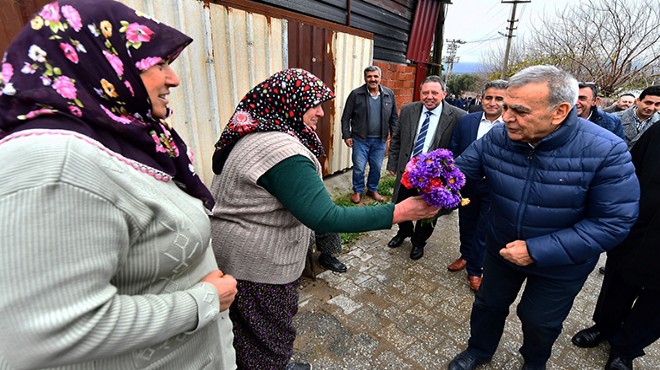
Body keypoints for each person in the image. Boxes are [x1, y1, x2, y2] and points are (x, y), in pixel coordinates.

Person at [0, 1, 238, 369]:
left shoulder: (124, 138)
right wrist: (203, 300)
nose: (172, 78)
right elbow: (46, 333)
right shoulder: (56, 160)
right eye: (158, 64)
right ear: (101, 60)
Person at [209, 68, 438, 370]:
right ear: (288, 102)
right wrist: (403, 211)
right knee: (268, 336)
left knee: (246, 333)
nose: (319, 112)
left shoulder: (258, 133)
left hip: (236, 256)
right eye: (313, 104)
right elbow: (325, 216)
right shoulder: (280, 150)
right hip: (257, 268)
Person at [446, 65, 639, 370]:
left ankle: (534, 362)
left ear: (560, 111)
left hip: (561, 263)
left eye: (519, 110)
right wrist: (431, 180)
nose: (505, 116)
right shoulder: (499, 136)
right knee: (488, 305)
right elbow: (461, 171)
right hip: (502, 247)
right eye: (506, 106)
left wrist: (536, 250)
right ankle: (479, 350)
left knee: (539, 321)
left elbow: (613, 222)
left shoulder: (606, 150)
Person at [570, 122, 660, 370]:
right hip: (639, 228)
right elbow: (627, 171)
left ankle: (626, 348)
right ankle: (605, 326)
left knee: (655, 305)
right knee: (617, 283)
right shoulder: (657, 131)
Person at [386, 75, 466, 260]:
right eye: (425, 92)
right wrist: (392, 163)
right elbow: (397, 138)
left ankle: (418, 242)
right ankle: (404, 231)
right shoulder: (408, 110)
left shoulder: (458, 116)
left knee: (429, 212)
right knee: (400, 205)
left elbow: (459, 148)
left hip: (434, 177)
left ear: (444, 93)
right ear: (420, 93)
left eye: (434, 92)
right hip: (407, 172)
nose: (429, 96)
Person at [447, 79, 507, 292]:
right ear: (481, 98)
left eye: (499, 98)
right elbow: (454, 150)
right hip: (468, 185)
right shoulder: (467, 121)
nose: (492, 102)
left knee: (484, 228)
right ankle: (465, 255)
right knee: (466, 222)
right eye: (488, 97)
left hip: (494, 187)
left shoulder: (510, 125)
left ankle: (476, 269)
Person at [341, 65, 398, 204]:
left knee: (377, 168)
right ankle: (358, 191)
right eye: (369, 76)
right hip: (360, 139)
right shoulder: (356, 94)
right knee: (359, 167)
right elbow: (345, 117)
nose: (373, 79)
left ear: (380, 77)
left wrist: (395, 137)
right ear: (365, 78)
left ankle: (372, 189)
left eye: (375, 76)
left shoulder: (389, 94)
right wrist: (347, 135)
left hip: (380, 140)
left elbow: (394, 118)